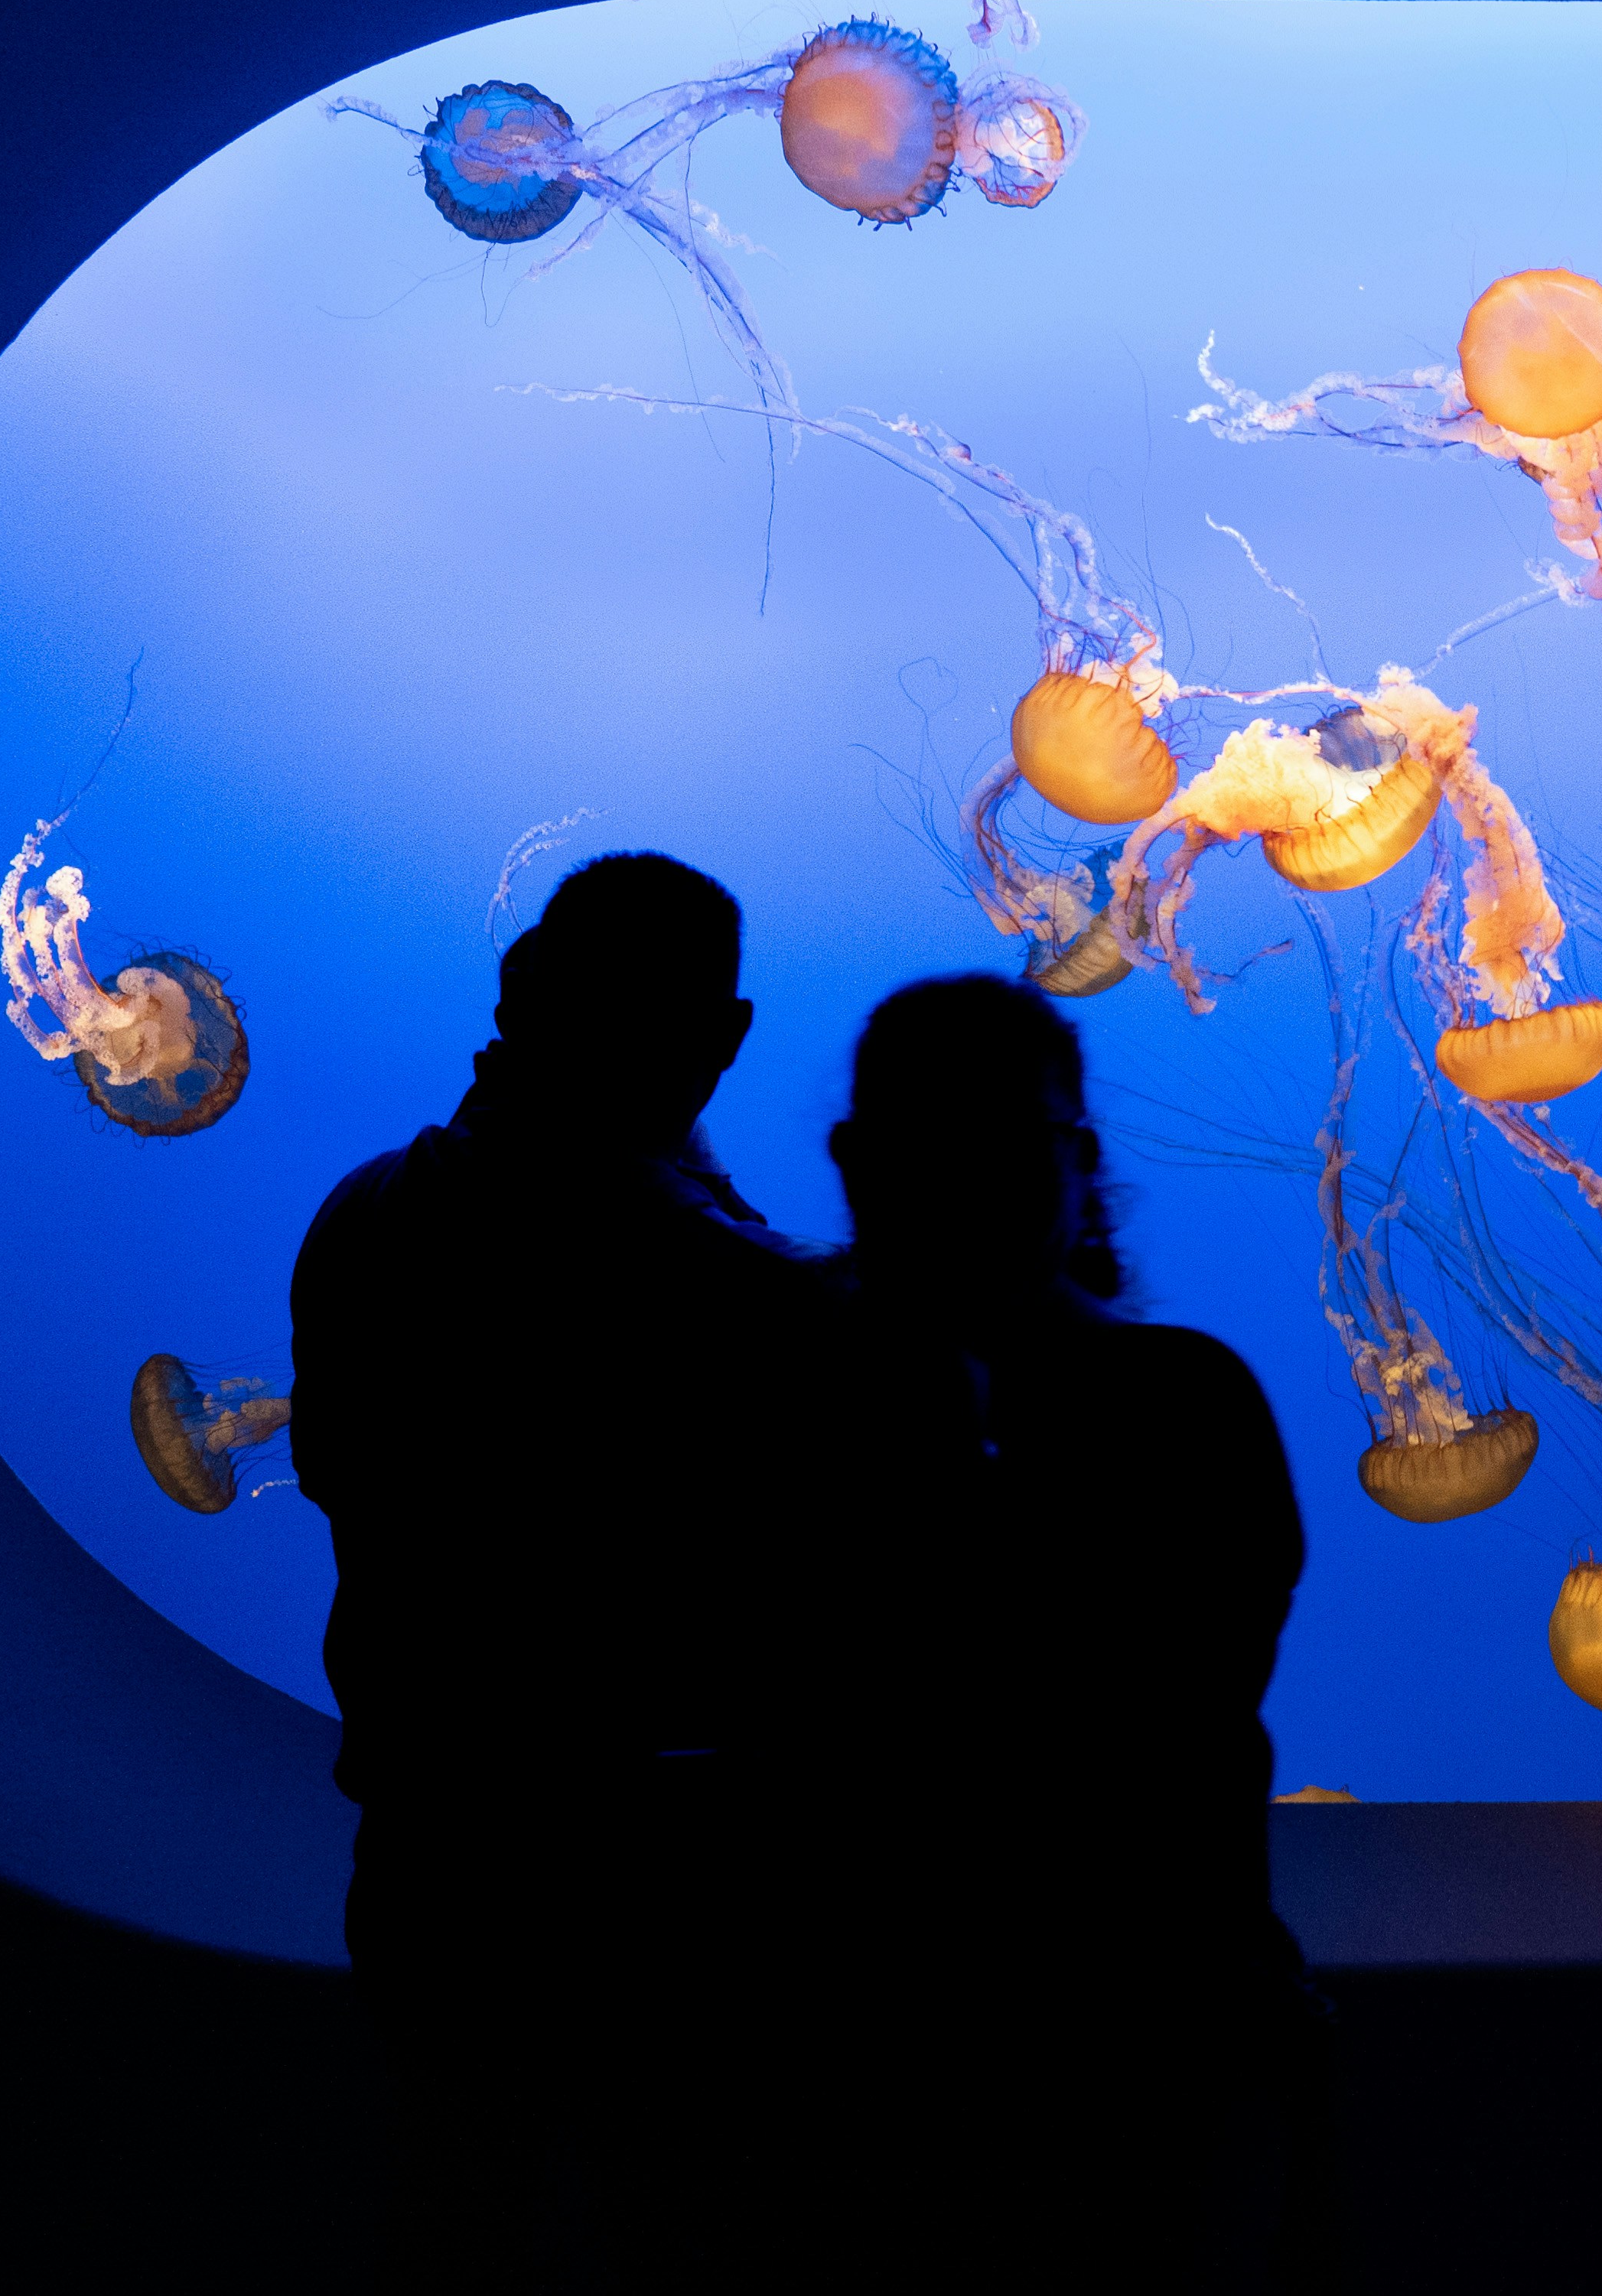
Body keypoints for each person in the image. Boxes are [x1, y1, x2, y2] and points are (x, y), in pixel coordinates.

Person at [291, 853, 848, 2284]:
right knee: (687, 2240)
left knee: (456, 2225)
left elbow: (345, 1477)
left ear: (516, 986)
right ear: (721, 1038)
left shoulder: (362, 1218)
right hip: (669, 1871)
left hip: (432, 1847)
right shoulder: (738, 1286)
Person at [820, 974, 1317, 2282]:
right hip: (861, 2072)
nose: (967, 1179)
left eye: (1008, 1141)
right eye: (932, 1143)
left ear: (1078, 1165)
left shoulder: (1191, 1408)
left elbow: (1151, 1730)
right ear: (860, 1165)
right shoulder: (758, 1422)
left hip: (1162, 2060)